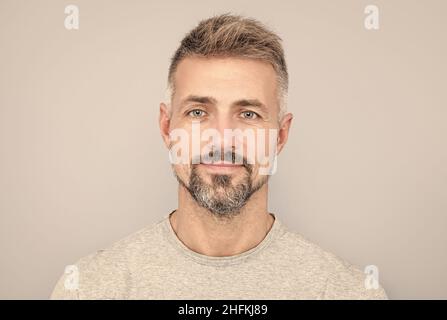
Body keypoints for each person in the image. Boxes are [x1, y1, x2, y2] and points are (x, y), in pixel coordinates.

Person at [50, 13, 388, 300]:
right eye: (198, 112)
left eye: (249, 114)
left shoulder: (347, 291)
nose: (222, 137)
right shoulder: (89, 288)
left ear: (281, 135)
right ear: (167, 127)